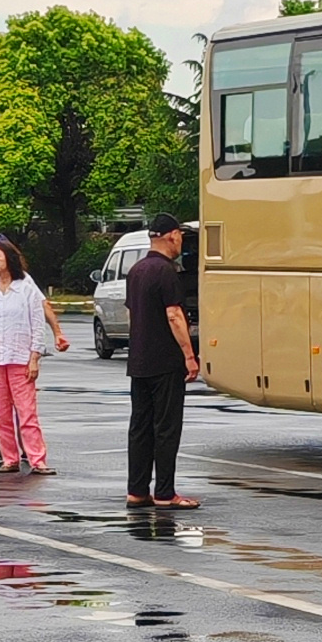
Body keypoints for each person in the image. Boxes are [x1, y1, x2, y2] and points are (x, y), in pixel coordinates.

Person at [0, 233, 67, 475]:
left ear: (9, 258)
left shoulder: (25, 288)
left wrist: (35, 356)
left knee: (26, 412)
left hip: (19, 358)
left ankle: (37, 459)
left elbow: (36, 323)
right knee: (0, 414)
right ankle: (9, 458)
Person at [124, 214, 199, 509]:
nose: (181, 240)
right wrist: (189, 356)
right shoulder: (167, 271)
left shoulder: (137, 270)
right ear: (171, 236)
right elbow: (174, 315)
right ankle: (166, 492)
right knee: (166, 428)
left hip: (139, 360)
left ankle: (137, 490)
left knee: (140, 427)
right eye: (179, 235)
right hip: (165, 361)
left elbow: (132, 315)